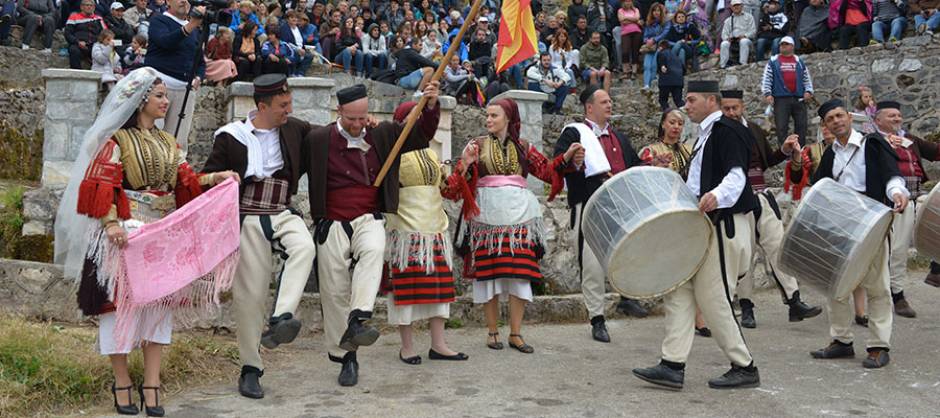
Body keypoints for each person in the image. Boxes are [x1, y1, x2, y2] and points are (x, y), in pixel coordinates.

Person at [54, 68, 238, 417]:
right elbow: (102, 184)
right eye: (159, 96)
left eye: (165, 96)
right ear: (141, 101)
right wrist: (110, 223)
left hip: (159, 236)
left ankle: (152, 382)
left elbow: (185, 181)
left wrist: (217, 177)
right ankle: (122, 381)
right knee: (118, 309)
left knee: (158, 308)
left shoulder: (169, 143)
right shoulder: (116, 143)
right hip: (123, 232)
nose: (165, 102)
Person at [304, 82, 441, 387]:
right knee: (334, 290)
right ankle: (347, 358)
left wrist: (430, 105)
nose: (357, 124)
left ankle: (360, 317)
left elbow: (421, 135)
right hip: (332, 221)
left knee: (375, 250)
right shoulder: (318, 139)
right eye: (350, 119)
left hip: (369, 217)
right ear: (339, 112)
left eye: (361, 118)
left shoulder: (383, 133)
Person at [632, 80, 761, 390]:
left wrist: (716, 196)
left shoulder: (726, 129)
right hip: (704, 225)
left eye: (691, 100)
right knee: (678, 288)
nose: (685, 105)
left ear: (710, 101)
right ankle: (672, 364)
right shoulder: (705, 135)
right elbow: (695, 184)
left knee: (714, 298)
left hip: (723, 223)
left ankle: (744, 365)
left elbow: (736, 175)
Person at [202, 74, 316, 399]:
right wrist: (219, 176)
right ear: (262, 106)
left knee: (304, 247)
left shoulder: (294, 129)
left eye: (290, 103)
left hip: (281, 211)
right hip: (248, 218)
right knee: (249, 299)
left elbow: (326, 138)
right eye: (283, 105)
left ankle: (281, 317)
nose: (288, 110)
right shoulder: (229, 137)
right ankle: (251, 368)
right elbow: (204, 178)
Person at [451, 98, 577, 354]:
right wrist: (466, 163)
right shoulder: (477, 145)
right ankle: (492, 331)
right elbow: (458, 183)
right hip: (486, 219)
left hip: (520, 218)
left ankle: (516, 333)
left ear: (508, 118)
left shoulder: (524, 147)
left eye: (494, 116)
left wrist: (567, 157)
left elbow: (546, 171)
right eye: (487, 115)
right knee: (488, 277)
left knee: (521, 275)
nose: (488, 120)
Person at [806, 99, 908, 369]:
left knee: (877, 286)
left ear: (849, 117)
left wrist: (898, 193)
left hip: (870, 221)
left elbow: (891, 175)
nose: (836, 121)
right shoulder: (829, 154)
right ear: (825, 125)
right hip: (840, 226)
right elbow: (819, 189)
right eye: (830, 119)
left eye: (840, 115)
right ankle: (841, 340)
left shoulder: (873, 144)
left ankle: (878, 345)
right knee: (836, 286)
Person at [719, 89, 822, 328]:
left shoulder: (753, 129)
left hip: (763, 198)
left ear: (743, 107)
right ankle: (746, 308)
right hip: (738, 204)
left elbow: (766, 160)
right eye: (727, 108)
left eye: (735, 108)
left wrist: (785, 150)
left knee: (778, 246)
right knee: (747, 255)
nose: (731, 112)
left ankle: (794, 301)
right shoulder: (718, 133)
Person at [553, 85, 643, 343]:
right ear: (589, 107)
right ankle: (597, 319)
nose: (610, 105)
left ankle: (628, 298)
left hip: (619, 206)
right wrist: (574, 159)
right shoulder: (574, 133)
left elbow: (634, 165)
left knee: (626, 254)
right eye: (604, 101)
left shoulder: (619, 138)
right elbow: (557, 165)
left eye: (610, 101)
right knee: (592, 264)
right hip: (589, 204)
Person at [384, 102, 468, 366]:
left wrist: (464, 167)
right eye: (414, 117)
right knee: (405, 290)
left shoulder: (432, 154)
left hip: (435, 228)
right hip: (405, 229)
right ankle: (406, 347)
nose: (419, 121)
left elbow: (447, 190)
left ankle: (438, 344)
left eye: (421, 117)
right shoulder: (391, 150)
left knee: (439, 289)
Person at [871, 100, 934, 318]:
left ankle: (936, 267)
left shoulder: (911, 139)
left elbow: (935, 152)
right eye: (892, 116)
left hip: (919, 195)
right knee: (898, 251)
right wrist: (885, 143)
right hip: (895, 202)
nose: (897, 119)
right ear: (878, 120)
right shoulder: (873, 141)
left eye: (898, 115)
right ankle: (897, 295)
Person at [145, 0, 207, 153]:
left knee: (178, 140)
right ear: (168, 2)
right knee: (151, 133)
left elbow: (200, 61)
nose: (183, 1)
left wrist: (198, 77)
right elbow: (166, 42)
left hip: (185, 89)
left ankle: (176, 173)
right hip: (159, 85)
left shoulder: (195, 31)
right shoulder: (159, 20)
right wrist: (190, 25)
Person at [761, 36, 814, 146]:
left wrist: (808, 91)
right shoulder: (773, 61)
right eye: (781, 44)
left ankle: (800, 151)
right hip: (781, 99)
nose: (783, 46)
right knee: (781, 127)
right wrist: (767, 93)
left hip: (799, 98)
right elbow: (767, 78)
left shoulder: (799, 61)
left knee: (801, 126)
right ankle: (785, 154)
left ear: (792, 46)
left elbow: (806, 78)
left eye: (786, 44)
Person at [66, 0, 107, 69]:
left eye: (91, 5)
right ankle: (77, 74)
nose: (89, 7)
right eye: (87, 5)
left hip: (95, 45)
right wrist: (77, 42)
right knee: (73, 50)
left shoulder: (99, 18)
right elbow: (67, 33)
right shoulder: (73, 17)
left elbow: (106, 33)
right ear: (81, 7)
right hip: (79, 44)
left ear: (94, 8)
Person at [719, 0, 756, 68]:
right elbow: (724, 34)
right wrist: (727, 38)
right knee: (724, 43)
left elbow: (753, 31)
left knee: (743, 41)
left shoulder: (749, 17)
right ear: (731, 7)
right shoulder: (728, 20)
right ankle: (723, 65)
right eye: (734, 5)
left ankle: (743, 64)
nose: (736, 7)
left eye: (738, 5)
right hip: (733, 41)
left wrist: (745, 36)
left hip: (747, 40)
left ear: (742, 6)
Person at [280, 10, 314, 77]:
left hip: (301, 49)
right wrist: (297, 49)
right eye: (292, 17)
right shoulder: (284, 28)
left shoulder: (299, 28)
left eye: (295, 17)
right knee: (296, 54)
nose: (294, 19)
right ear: (287, 19)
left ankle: (300, 73)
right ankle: (292, 73)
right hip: (290, 49)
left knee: (310, 56)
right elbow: (286, 43)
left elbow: (301, 41)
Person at [641, 3, 667, 89]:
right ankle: (646, 85)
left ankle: (651, 83)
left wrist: (654, 39)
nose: (656, 12)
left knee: (654, 65)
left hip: (661, 46)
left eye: (658, 10)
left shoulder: (665, 22)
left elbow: (665, 34)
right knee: (646, 65)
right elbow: (645, 36)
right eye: (654, 10)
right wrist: (647, 41)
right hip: (650, 47)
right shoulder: (649, 23)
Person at [617, 0, 643, 79]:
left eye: (629, 1)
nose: (628, 3)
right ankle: (626, 71)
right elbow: (621, 20)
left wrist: (627, 19)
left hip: (636, 32)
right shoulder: (620, 10)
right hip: (625, 33)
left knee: (635, 51)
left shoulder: (636, 10)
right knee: (625, 51)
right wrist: (634, 20)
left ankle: (634, 71)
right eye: (626, 1)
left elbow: (637, 17)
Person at [656, 40, 684, 111]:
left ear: (661, 47)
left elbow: (662, 66)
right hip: (678, 81)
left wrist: (662, 67)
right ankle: (686, 113)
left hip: (666, 81)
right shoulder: (676, 56)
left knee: (663, 100)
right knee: (678, 101)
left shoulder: (661, 53)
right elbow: (684, 68)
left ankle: (668, 113)